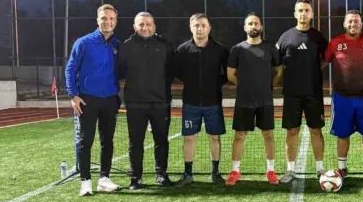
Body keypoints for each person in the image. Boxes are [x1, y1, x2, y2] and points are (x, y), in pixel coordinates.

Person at [65, 4, 122, 196]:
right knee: (85, 141)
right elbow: (70, 68)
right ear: (98, 20)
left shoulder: (117, 45)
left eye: (111, 19)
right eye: (104, 18)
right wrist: (73, 95)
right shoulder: (83, 42)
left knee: (108, 141)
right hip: (87, 99)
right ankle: (85, 181)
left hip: (110, 99)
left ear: (115, 21)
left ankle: (104, 179)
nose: (107, 22)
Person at [118, 12, 175, 190]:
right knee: (135, 142)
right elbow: (120, 71)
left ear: (154, 26)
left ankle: (161, 174)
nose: (145, 27)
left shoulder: (164, 45)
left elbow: (171, 71)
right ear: (134, 27)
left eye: (149, 24)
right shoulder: (126, 46)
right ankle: (136, 177)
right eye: (141, 24)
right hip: (135, 103)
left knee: (161, 141)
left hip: (160, 102)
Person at [225, 13, 283, 186]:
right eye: (250, 23)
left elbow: (279, 71)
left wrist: (268, 85)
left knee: (268, 135)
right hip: (244, 100)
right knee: (240, 135)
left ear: (261, 27)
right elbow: (231, 74)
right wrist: (244, 86)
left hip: (265, 99)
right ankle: (235, 171)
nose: (253, 26)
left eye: (256, 23)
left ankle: (271, 171)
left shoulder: (270, 48)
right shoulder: (237, 49)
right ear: (245, 27)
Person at [172, 13, 229, 187]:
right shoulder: (182, 49)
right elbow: (177, 71)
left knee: (214, 138)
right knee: (189, 138)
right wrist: (190, 82)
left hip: (213, 103)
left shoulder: (220, 50)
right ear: (191, 27)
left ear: (209, 28)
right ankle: (188, 174)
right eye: (196, 25)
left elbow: (228, 72)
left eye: (203, 25)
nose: (200, 29)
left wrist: (216, 83)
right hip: (190, 104)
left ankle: (215, 173)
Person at [324, 10, 363, 181]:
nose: (353, 24)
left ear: (361, 24)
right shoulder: (335, 42)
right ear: (344, 24)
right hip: (342, 97)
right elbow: (325, 60)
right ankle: (342, 168)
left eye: (356, 21)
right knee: (343, 134)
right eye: (350, 21)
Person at [276, 0, 328, 182]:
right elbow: (277, 63)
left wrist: (311, 69)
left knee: (316, 131)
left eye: (307, 10)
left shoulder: (319, 37)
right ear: (295, 14)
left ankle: (320, 170)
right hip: (291, 93)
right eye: (300, 10)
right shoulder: (285, 37)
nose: (303, 13)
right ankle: (290, 170)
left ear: (312, 14)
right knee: (291, 131)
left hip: (314, 92)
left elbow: (325, 59)